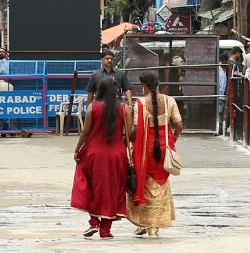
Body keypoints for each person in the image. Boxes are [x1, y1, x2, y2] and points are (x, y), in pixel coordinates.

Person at [72, 75, 131, 238]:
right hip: (117, 154)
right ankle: (105, 229)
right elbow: (129, 133)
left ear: (100, 90)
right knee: (112, 189)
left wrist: (77, 149)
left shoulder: (92, 107)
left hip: (94, 152)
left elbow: (85, 132)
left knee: (91, 186)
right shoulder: (124, 108)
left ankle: (93, 222)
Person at [126, 70, 183, 237]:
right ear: (157, 84)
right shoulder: (170, 101)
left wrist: (128, 139)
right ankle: (154, 226)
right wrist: (174, 139)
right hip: (165, 148)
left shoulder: (140, 104)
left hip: (145, 149)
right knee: (161, 185)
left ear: (144, 85)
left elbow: (135, 130)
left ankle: (145, 224)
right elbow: (179, 125)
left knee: (144, 185)